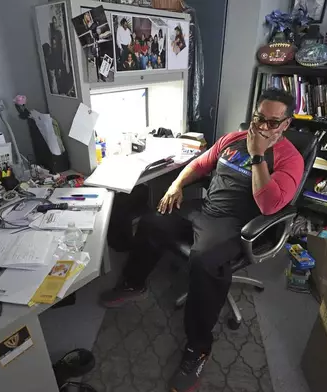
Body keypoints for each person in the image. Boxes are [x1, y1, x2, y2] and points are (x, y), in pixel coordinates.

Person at [100, 89, 304, 392]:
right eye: (259, 118)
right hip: (205, 211)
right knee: (152, 221)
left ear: (285, 124)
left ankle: (199, 347)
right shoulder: (233, 140)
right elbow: (200, 164)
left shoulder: (290, 160)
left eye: (272, 123)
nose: (262, 127)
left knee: (204, 261)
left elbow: (269, 206)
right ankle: (134, 282)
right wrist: (176, 184)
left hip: (236, 225)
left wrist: (259, 155)